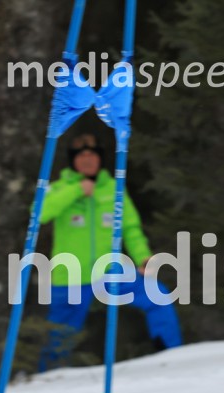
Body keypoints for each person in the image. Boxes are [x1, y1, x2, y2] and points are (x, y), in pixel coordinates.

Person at [38, 133, 182, 371]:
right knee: (60, 335)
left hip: (109, 270)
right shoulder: (59, 188)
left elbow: (130, 228)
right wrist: (76, 190)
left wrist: (143, 257)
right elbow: (40, 213)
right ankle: (49, 377)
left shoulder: (114, 189)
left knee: (156, 294)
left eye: (92, 155)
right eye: (81, 156)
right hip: (71, 275)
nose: (87, 160)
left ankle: (171, 353)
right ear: (72, 160)